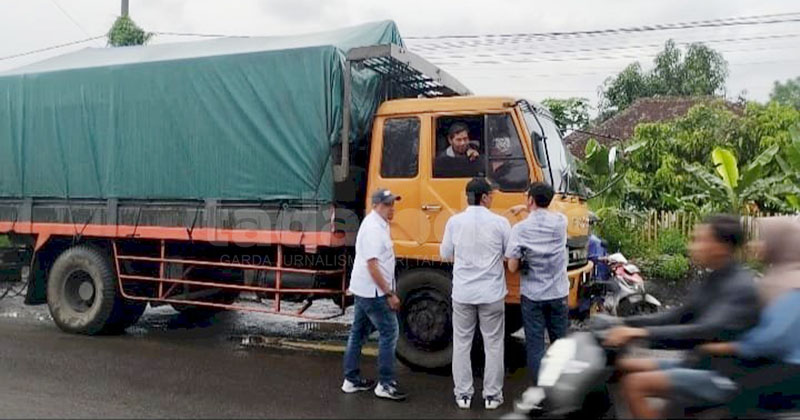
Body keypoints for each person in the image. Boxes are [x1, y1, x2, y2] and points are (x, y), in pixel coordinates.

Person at [608, 215, 761, 418]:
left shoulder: (739, 286)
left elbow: (703, 331)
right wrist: (623, 323)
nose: (693, 246)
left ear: (721, 247)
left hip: (724, 374)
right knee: (620, 367)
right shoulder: (714, 277)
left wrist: (639, 332)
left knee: (634, 384)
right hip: (700, 362)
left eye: (700, 240)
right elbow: (679, 314)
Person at [440, 177, 511, 410]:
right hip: (492, 294)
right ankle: (492, 396)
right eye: (491, 195)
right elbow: (509, 255)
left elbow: (445, 253)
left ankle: (463, 395)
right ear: (483, 197)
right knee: (493, 344)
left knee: (461, 344)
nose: (492, 198)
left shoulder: (454, 222)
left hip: (463, 294)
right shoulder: (501, 223)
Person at [341, 188, 407, 401]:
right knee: (389, 332)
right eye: (387, 204)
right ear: (376, 205)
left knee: (358, 333)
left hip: (365, 289)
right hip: (373, 291)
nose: (391, 208)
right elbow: (373, 266)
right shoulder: (373, 228)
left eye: (392, 204)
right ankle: (385, 385)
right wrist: (389, 293)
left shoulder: (380, 225)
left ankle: (351, 380)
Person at [506, 182, 570, 386]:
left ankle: (540, 392)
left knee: (535, 346)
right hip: (558, 293)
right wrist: (528, 207)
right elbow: (545, 211)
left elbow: (513, 267)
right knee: (560, 343)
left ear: (530, 199)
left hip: (533, 296)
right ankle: (563, 388)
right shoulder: (561, 222)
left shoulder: (520, 229)